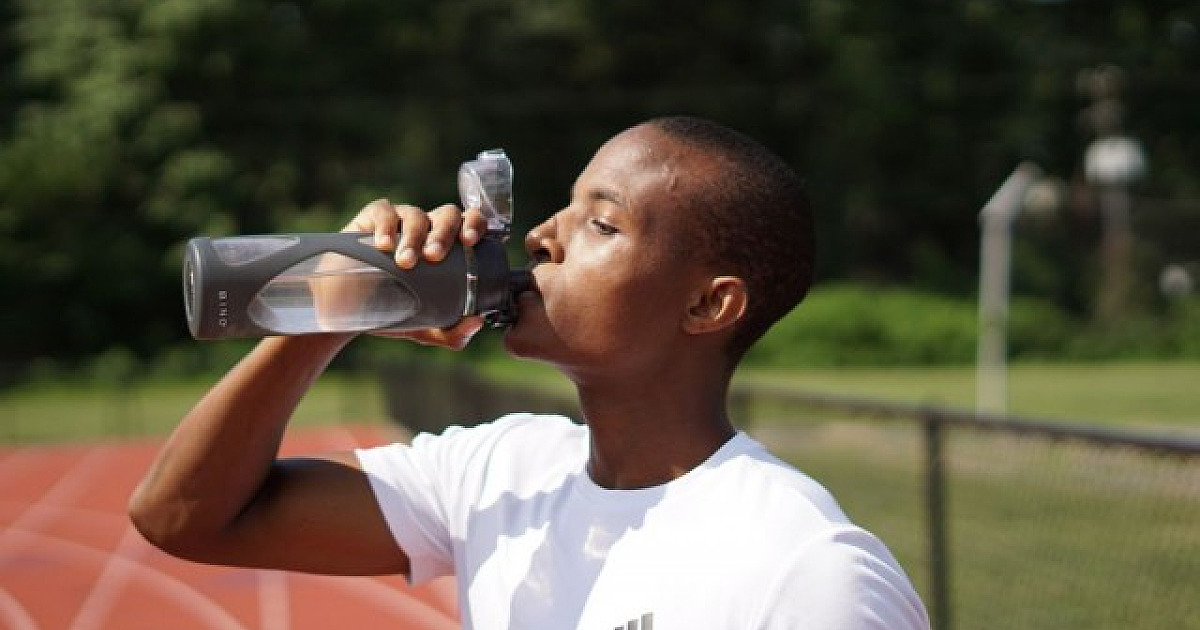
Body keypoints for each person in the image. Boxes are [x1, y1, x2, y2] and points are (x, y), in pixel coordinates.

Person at [130, 116, 930, 629]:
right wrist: (340, 302)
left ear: (707, 306)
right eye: (563, 208)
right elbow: (183, 516)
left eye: (601, 223)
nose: (543, 236)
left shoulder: (806, 567)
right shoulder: (501, 471)